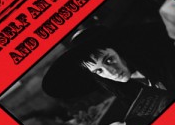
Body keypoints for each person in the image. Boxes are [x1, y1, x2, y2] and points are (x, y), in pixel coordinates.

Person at [42, 23, 175, 102]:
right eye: (99, 70)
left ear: (119, 50)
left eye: (109, 59)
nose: (111, 72)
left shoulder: (164, 60)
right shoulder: (125, 91)